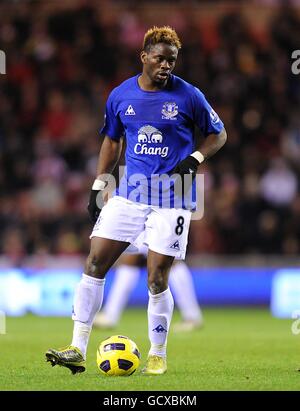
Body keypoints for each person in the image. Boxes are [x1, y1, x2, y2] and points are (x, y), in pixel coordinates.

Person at [45, 26, 227, 375]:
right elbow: (112, 142)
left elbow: (219, 134)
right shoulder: (120, 96)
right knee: (95, 262)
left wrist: (195, 159)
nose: (165, 66)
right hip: (129, 195)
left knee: (157, 277)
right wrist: (100, 183)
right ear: (143, 56)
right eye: (159, 58)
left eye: (171, 60)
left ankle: (157, 353)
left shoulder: (189, 96)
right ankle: (76, 348)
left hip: (172, 201)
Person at [93, 251, 203, 332]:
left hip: (161, 219)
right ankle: (110, 314)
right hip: (143, 219)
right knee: (130, 257)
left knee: (170, 257)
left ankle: (192, 316)